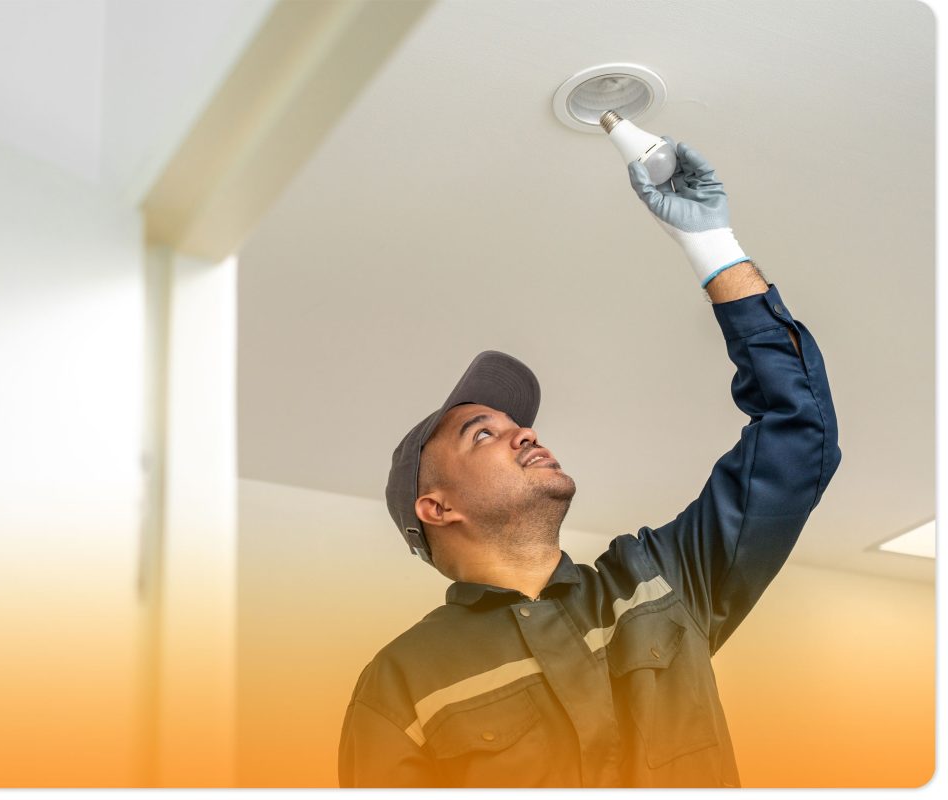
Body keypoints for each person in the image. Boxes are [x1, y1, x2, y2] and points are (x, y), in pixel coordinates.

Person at [337, 137, 841, 788]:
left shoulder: (662, 581)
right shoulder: (400, 687)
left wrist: (712, 244)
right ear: (436, 507)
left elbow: (799, 435)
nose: (524, 433)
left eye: (518, 423)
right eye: (482, 434)